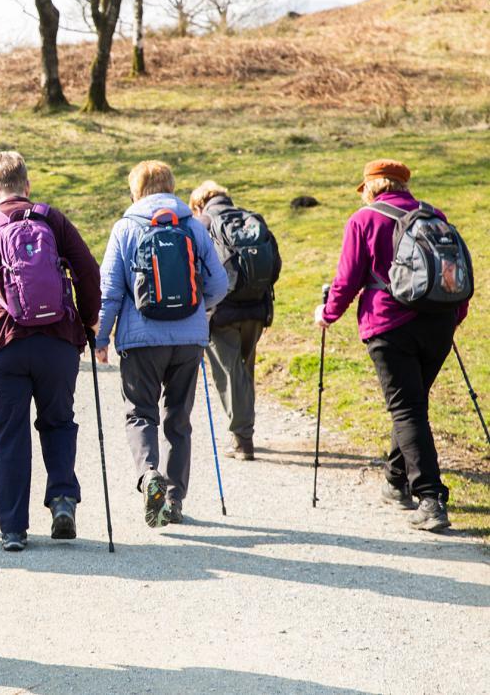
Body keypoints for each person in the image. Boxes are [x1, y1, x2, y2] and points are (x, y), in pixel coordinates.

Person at [0, 151, 102, 552]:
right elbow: (87, 271)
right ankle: (63, 500)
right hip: (57, 341)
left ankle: (14, 529)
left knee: (10, 436)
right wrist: (87, 322)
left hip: (2, 347)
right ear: (27, 185)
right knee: (58, 422)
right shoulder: (53, 220)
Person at [314, 160, 470, 532]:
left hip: (389, 326)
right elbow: (455, 270)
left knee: (407, 409)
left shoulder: (364, 219)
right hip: (438, 324)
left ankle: (431, 499)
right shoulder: (435, 215)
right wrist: (454, 317)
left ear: (373, 187)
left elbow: (348, 278)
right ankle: (395, 481)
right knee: (412, 404)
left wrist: (327, 313)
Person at [94, 161, 228, 528]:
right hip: (188, 340)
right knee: (178, 418)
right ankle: (174, 499)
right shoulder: (193, 227)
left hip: (141, 341)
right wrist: (201, 311)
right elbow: (219, 283)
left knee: (140, 413)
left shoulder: (125, 229)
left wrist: (101, 338)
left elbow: (109, 293)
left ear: (136, 190)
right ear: (171, 187)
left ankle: (148, 474)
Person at [190, 181, 282, 460]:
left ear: (198, 204)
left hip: (221, 311)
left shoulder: (202, 223)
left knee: (229, 373)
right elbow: (275, 264)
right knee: (244, 370)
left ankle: (243, 439)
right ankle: (244, 430)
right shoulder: (254, 219)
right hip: (257, 309)